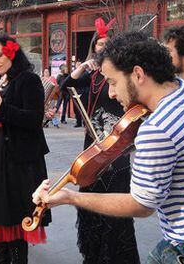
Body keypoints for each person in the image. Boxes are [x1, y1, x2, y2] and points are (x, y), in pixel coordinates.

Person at [33, 31, 184, 264]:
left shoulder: (158, 128)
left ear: (138, 74)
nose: (112, 93)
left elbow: (142, 205)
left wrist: (70, 198)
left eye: (113, 82)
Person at [59, 19, 140, 264]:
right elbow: (66, 85)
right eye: (99, 44)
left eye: (107, 44)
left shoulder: (122, 75)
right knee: (90, 200)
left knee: (115, 206)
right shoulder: (94, 75)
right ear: (94, 48)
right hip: (93, 143)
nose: (102, 48)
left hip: (117, 146)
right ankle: (94, 256)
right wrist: (83, 66)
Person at [0, 34, 52, 264]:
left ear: (12, 53)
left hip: (17, 163)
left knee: (15, 224)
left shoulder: (28, 80)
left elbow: (34, 120)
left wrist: (2, 108)